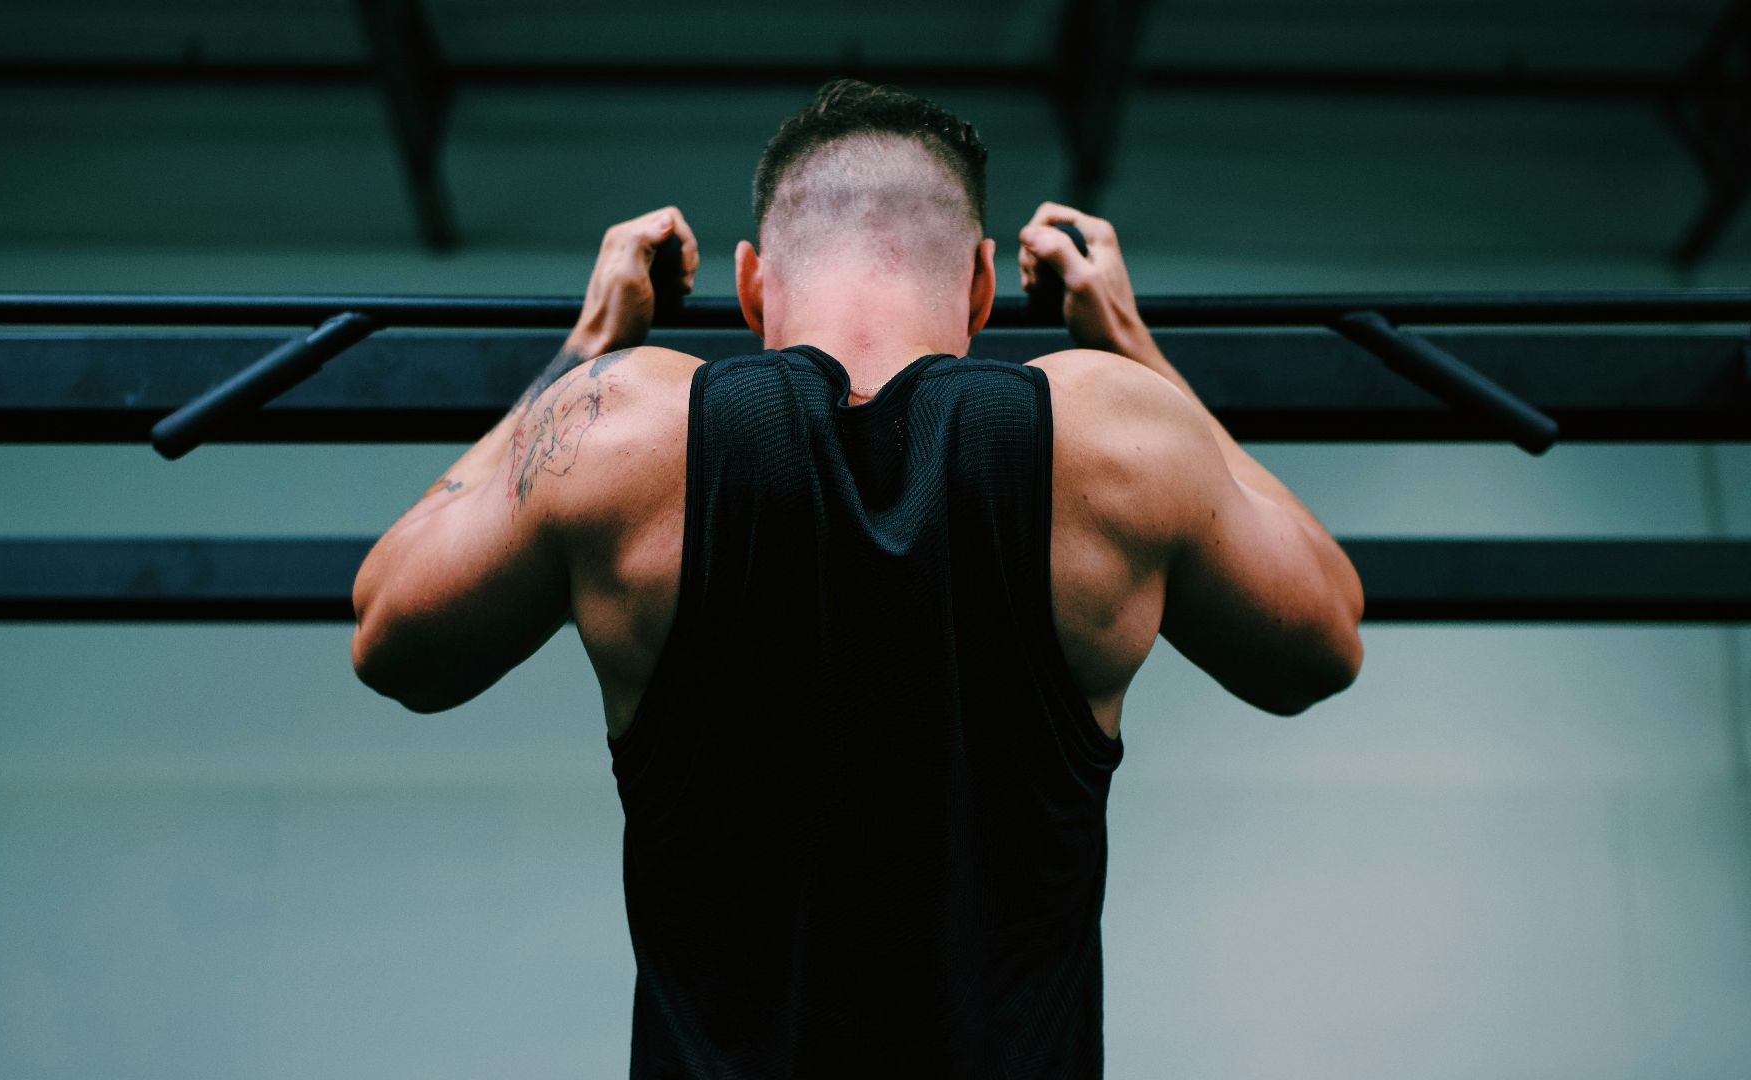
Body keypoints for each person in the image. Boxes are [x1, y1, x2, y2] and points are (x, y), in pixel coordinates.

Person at [351, 79, 1363, 1078]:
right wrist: (1131, 344)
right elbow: (1325, 635)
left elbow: (389, 630)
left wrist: (588, 346)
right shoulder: (1115, 429)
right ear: (980, 284)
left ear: (750, 286)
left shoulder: (620, 423)